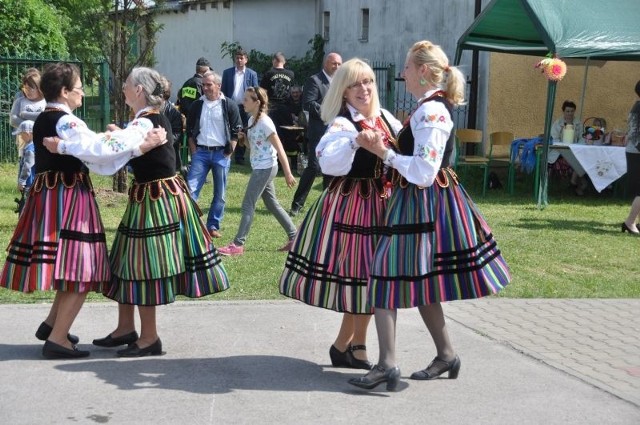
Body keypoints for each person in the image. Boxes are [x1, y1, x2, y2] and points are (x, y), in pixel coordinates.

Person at [349, 41, 511, 391]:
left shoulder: (432, 111)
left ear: (422, 70)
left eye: (407, 67)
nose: (402, 72)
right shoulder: (428, 107)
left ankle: (388, 364)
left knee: (383, 274)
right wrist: (389, 147)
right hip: (421, 202)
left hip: (423, 203)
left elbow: (423, 171)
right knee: (421, 282)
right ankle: (446, 355)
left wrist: (383, 153)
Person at [45, 67, 231, 357]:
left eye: (127, 84)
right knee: (126, 262)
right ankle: (125, 328)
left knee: (146, 266)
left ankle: (149, 338)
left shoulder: (146, 123)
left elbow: (109, 148)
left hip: (157, 201)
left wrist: (64, 146)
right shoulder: (144, 121)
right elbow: (124, 147)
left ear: (139, 91)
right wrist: (127, 139)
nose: (123, 88)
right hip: (150, 197)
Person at [0, 62, 165, 359]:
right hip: (68, 196)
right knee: (81, 266)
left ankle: (53, 325)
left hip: (50, 194)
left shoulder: (46, 117)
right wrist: (138, 149)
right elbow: (96, 149)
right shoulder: (67, 121)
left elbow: (92, 153)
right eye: (78, 88)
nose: (82, 93)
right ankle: (58, 338)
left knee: (70, 263)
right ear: (64, 92)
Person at [280, 58, 402, 370]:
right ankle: (355, 347)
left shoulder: (385, 118)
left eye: (368, 82)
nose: (363, 89)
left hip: (382, 205)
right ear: (343, 92)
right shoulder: (343, 123)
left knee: (370, 278)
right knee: (365, 277)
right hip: (354, 206)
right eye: (355, 84)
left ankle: (345, 346)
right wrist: (355, 142)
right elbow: (327, 160)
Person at [217, 87, 297, 256]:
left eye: (247, 99)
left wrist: (288, 173)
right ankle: (294, 237)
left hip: (265, 168)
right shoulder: (252, 119)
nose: (243, 102)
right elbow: (252, 147)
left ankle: (238, 244)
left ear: (257, 102)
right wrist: (243, 139)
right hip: (260, 166)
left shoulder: (266, 123)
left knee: (247, 204)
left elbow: (280, 148)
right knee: (272, 204)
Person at [186, 70, 242, 239]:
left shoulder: (229, 105)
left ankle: (212, 226)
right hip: (201, 153)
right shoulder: (197, 105)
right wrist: (194, 150)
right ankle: (190, 224)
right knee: (190, 190)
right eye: (203, 85)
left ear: (219, 85)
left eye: (209, 85)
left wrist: (229, 151)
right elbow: (189, 131)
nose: (205, 88)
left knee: (220, 194)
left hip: (221, 154)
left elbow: (236, 130)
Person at [289, 52, 342, 217]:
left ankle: (328, 205)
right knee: (314, 166)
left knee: (330, 168)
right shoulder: (315, 80)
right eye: (334, 64)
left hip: (336, 131)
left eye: (340, 64)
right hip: (319, 131)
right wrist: (328, 113)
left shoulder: (340, 81)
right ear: (326, 63)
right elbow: (309, 103)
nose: (337, 67)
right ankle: (297, 204)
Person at [221, 48, 259, 165]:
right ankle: (227, 152)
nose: (239, 60)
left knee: (244, 130)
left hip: (245, 107)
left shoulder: (252, 74)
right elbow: (223, 90)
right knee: (231, 129)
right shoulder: (227, 73)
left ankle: (240, 156)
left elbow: (255, 91)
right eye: (237, 58)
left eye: (241, 58)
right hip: (231, 106)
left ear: (246, 60)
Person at [550, 100, 588, 194]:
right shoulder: (558, 123)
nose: (570, 113)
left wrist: (577, 146)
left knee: (581, 158)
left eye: (572, 111)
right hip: (560, 150)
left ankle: (574, 182)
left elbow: (582, 138)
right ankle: (581, 183)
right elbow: (554, 138)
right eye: (567, 111)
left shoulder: (578, 124)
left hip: (575, 149)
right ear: (563, 111)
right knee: (574, 159)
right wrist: (564, 146)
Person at [10, 68, 46, 156]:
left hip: (42, 137)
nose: (27, 91)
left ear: (39, 88)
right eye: (25, 88)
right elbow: (13, 119)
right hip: (25, 137)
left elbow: (45, 117)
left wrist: (25, 115)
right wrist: (27, 126)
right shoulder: (20, 100)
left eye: (30, 89)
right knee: (26, 161)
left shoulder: (46, 101)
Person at [621, 80, 640, 235]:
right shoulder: (639, 107)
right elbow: (634, 134)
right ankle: (630, 222)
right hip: (637, 152)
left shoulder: (637, 106)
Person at [160, 76, 185, 172]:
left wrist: (160, 142)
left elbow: (177, 135)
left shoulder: (174, 113)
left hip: (168, 156)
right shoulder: (145, 110)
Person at [13, 120, 36, 214]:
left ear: (28, 133)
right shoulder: (35, 146)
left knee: (26, 207)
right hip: (34, 182)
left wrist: (21, 181)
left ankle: (25, 226)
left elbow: (27, 166)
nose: (20, 137)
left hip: (29, 183)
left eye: (21, 134)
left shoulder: (30, 149)